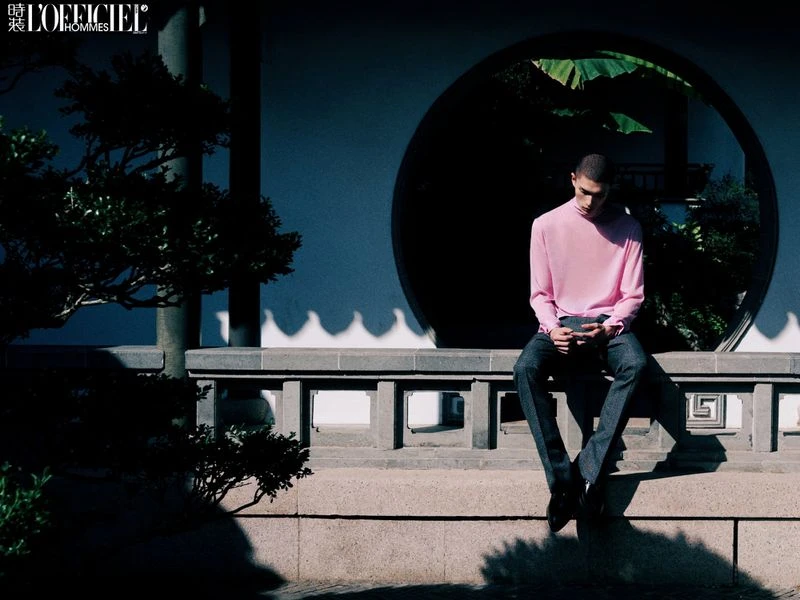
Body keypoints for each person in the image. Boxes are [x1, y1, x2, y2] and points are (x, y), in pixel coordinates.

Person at [513, 153, 648, 533]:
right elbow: (540, 293)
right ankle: (563, 483)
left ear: (610, 192)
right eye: (585, 191)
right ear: (573, 179)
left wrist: (610, 327)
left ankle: (589, 471)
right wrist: (553, 328)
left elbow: (632, 295)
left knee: (635, 365)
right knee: (525, 369)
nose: (591, 202)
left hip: (609, 325)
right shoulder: (545, 225)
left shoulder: (628, 228)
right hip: (559, 323)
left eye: (600, 195)